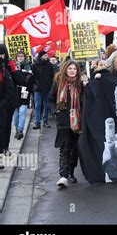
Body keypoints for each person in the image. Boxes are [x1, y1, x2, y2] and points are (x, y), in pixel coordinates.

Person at [49, 60, 84, 188]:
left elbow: (85, 100)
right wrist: (56, 112)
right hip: (63, 120)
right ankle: (63, 175)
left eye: (74, 69)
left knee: (74, 148)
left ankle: (71, 172)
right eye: (70, 69)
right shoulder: (58, 82)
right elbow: (51, 99)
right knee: (65, 147)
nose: (72, 71)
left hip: (76, 120)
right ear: (65, 69)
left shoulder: (80, 84)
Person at [31, 50, 55, 129]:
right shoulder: (34, 65)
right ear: (41, 56)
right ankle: (37, 123)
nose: (46, 57)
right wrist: (34, 85)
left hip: (47, 88)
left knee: (47, 105)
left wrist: (51, 86)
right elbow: (32, 77)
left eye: (46, 55)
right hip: (37, 89)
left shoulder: (50, 65)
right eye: (45, 55)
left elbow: (52, 77)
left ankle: (45, 122)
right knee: (37, 106)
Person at [0, 48, 17, 158]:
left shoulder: (7, 68)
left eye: (2, 53)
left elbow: (11, 87)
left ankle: (4, 148)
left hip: (7, 104)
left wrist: (15, 70)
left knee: (4, 127)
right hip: (3, 104)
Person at [13, 51, 33, 140]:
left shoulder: (29, 66)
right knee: (16, 113)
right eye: (18, 56)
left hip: (25, 91)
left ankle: (20, 130)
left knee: (22, 112)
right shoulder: (13, 66)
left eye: (22, 56)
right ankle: (17, 130)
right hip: (15, 92)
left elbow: (31, 78)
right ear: (16, 57)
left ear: (24, 57)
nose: (20, 58)